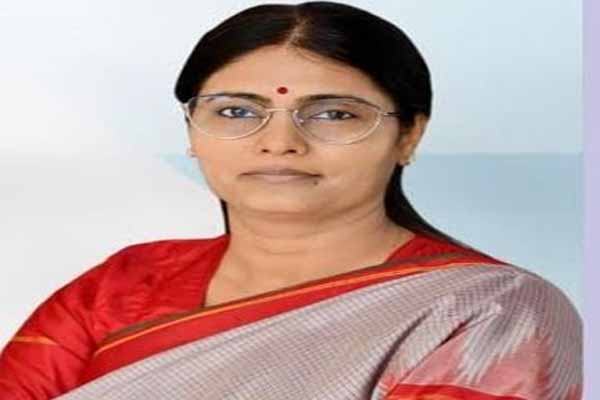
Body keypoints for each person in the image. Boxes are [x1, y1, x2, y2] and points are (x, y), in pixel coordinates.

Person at [0, 1, 582, 399]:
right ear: (191, 131)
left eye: (333, 114)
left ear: (409, 135)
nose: (279, 142)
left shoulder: (487, 310)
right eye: (236, 111)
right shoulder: (124, 284)